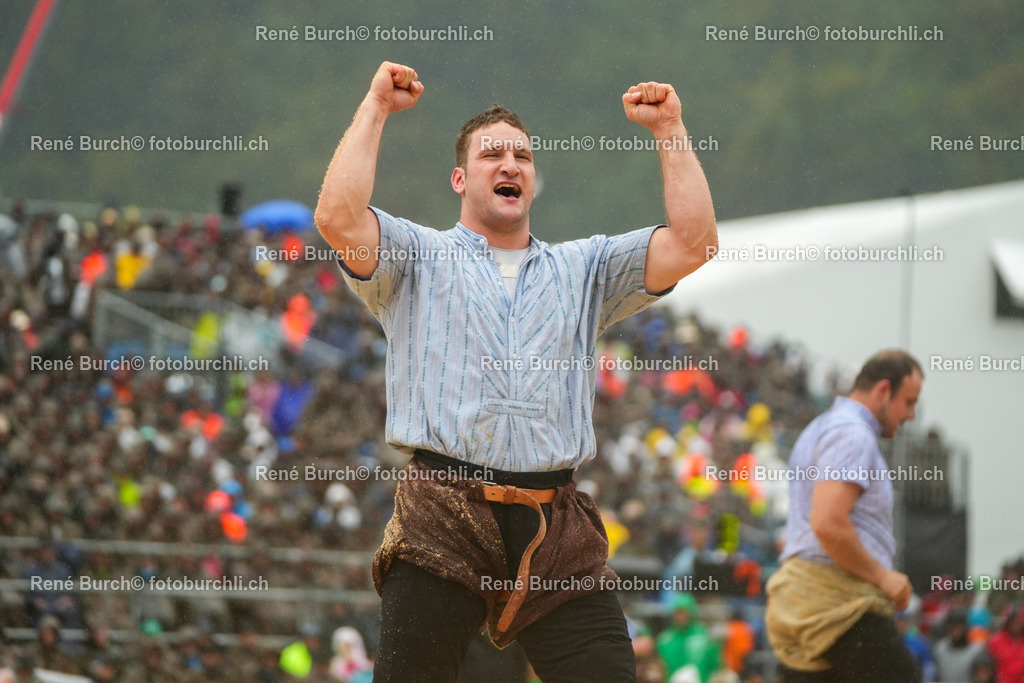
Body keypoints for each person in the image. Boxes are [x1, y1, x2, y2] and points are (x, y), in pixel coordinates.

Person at [314, 61, 717, 681]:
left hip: (554, 523)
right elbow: (337, 217)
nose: (510, 164)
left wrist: (670, 130)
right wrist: (375, 107)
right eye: (492, 154)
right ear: (459, 178)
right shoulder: (417, 255)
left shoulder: (585, 269)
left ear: (533, 181)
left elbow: (695, 243)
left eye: (523, 157)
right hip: (442, 514)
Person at [765, 350, 924, 681]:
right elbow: (827, 522)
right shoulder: (852, 433)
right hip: (837, 603)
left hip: (804, 601)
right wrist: (883, 577)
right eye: (909, 402)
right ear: (883, 390)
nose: (910, 415)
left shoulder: (824, 427)